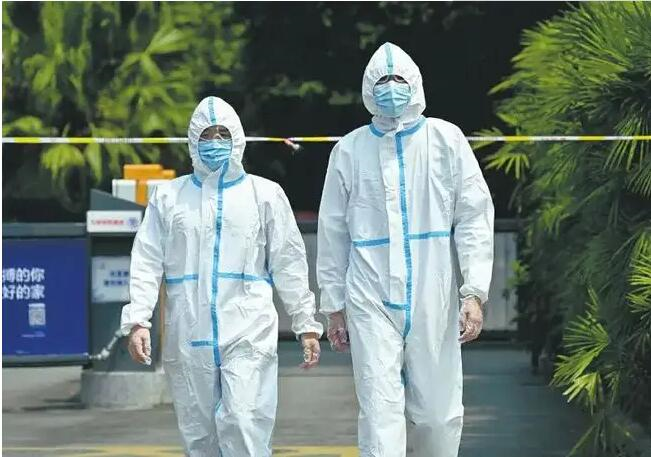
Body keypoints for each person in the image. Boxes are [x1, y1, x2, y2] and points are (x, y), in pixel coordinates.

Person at [317, 42, 494, 457]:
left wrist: (474, 292)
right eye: (382, 80)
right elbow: (333, 231)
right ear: (368, 88)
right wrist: (334, 306)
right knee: (380, 414)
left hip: (434, 293)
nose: (391, 87)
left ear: (414, 83)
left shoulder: (445, 140)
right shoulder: (349, 150)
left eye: (398, 79)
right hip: (369, 295)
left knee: (437, 416)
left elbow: (473, 216)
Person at [121, 96, 323, 457]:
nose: (214, 143)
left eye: (222, 135)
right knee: (200, 438)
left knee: (244, 422)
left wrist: (306, 323)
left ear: (237, 139)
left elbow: (289, 262)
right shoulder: (169, 197)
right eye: (207, 135)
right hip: (189, 331)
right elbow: (147, 260)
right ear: (193, 140)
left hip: (248, 330)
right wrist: (138, 320)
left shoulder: (264, 194)